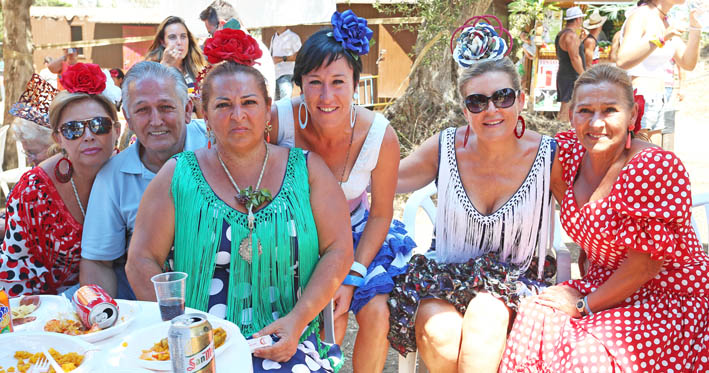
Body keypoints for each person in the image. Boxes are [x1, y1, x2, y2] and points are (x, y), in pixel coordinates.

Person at [126, 29, 351, 372]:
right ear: (204, 114)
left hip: (288, 336)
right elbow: (141, 260)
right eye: (223, 105)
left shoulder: (308, 171)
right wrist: (182, 331)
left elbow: (338, 249)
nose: (237, 115)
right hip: (202, 344)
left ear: (267, 110)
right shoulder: (178, 175)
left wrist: (297, 320)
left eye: (248, 102)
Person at [500, 64, 709, 372]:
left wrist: (583, 305)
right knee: (534, 312)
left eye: (610, 110)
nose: (596, 122)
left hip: (668, 294)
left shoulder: (653, 167)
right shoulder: (570, 153)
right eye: (585, 111)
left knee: (588, 352)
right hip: (605, 283)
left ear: (633, 116)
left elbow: (645, 266)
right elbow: (508, 147)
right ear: (571, 115)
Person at [388, 20, 559, 373]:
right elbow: (387, 180)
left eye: (503, 97)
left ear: (521, 99)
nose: (491, 110)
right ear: (465, 109)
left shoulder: (550, 156)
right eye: (477, 102)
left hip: (518, 279)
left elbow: (595, 206)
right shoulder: (445, 148)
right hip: (446, 273)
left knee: (485, 317)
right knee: (440, 334)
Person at [268, 10, 415, 372]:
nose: (326, 95)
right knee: (326, 320)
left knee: (377, 311)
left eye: (338, 81)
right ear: (299, 82)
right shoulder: (278, 120)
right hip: (293, 239)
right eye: (315, 82)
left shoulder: (380, 135)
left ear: (355, 82)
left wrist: (351, 277)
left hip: (359, 234)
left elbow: (382, 213)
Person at [79, 61, 207, 300]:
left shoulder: (216, 144)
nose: (156, 120)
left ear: (188, 109)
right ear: (127, 116)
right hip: (152, 305)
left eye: (166, 107)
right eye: (142, 110)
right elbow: (98, 263)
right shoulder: (112, 177)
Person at [0, 63, 121, 296]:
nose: (88, 136)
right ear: (58, 138)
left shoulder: (134, 175)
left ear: (116, 130)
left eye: (99, 125)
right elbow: (16, 280)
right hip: (50, 311)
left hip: (124, 305)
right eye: (73, 129)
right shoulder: (32, 192)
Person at [617, 0, 702, 146]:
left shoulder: (665, 20)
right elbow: (623, 60)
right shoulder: (641, 15)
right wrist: (661, 38)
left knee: (652, 159)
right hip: (641, 98)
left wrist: (696, 27)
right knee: (639, 160)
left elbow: (687, 63)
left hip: (660, 98)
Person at [199, 0, 276, 99]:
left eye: (211, 33)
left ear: (222, 24)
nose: (212, 38)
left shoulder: (249, 48)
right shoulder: (251, 45)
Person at [145, 16, 207, 103]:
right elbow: (148, 97)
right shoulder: (149, 69)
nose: (179, 42)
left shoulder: (199, 70)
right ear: (162, 42)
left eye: (183, 37)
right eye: (172, 37)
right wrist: (165, 64)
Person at [555, 7, 586, 122]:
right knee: (567, 105)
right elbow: (574, 58)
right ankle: (560, 133)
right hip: (570, 75)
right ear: (578, 19)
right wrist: (583, 74)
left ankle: (562, 131)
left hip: (565, 73)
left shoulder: (562, 34)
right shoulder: (570, 36)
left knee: (568, 105)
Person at [270, 27, 302, 100]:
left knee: (285, 101)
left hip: (287, 74)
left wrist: (282, 59)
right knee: (276, 104)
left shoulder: (293, 37)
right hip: (275, 75)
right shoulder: (274, 37)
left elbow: (300, 55)